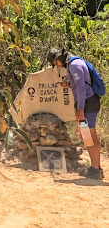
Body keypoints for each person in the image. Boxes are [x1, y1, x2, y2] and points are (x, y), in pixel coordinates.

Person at [47, 48, 103, 180]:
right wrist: (69, 84)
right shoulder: (75, 62)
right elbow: (80, 84)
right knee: (88, 136)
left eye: (55, 63)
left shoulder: (74, 65)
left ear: (58, 58)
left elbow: (82, 89)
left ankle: (95, 170)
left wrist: (80, 109)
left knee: (90, 135)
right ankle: (96, 168)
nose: (56, 65)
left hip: (88, 103)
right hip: (89, 101)